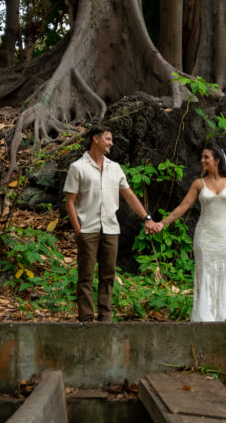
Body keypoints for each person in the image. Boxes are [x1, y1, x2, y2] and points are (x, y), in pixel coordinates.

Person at [64, 125, 159, 322]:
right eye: (108, 139)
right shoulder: (78, 167)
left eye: (111, 139)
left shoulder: (114, 168)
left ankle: (105, 318)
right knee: (86, 277)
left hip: (110, 229)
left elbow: (130, 196)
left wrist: (146, 218)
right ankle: (87, 320)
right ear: (95, 139)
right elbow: (70, 201)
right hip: (87, 229)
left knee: (108, 276)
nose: (111, 143)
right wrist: (77, 229)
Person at [155, 145, 226, 322]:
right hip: (205, 236)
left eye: (206, 157)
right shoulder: (198, 184)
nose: (202, 160)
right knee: (205, 274)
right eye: (202, 157)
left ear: (217, 160)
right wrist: (163, 223)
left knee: (225, 272)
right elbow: (183, 207)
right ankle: (204, 317)